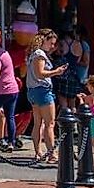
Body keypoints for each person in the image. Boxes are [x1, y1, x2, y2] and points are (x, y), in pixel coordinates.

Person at [24, 29, 61, 163]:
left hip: (33, 91)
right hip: (43, 90)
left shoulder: (32, 54)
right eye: (51, 43)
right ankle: (52, 154)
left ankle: (38, 152)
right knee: (50, 123)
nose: (52, 46)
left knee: (38, 123)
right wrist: (56, 72)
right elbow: (40, 73)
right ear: (44, 40)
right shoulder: (39, 54)